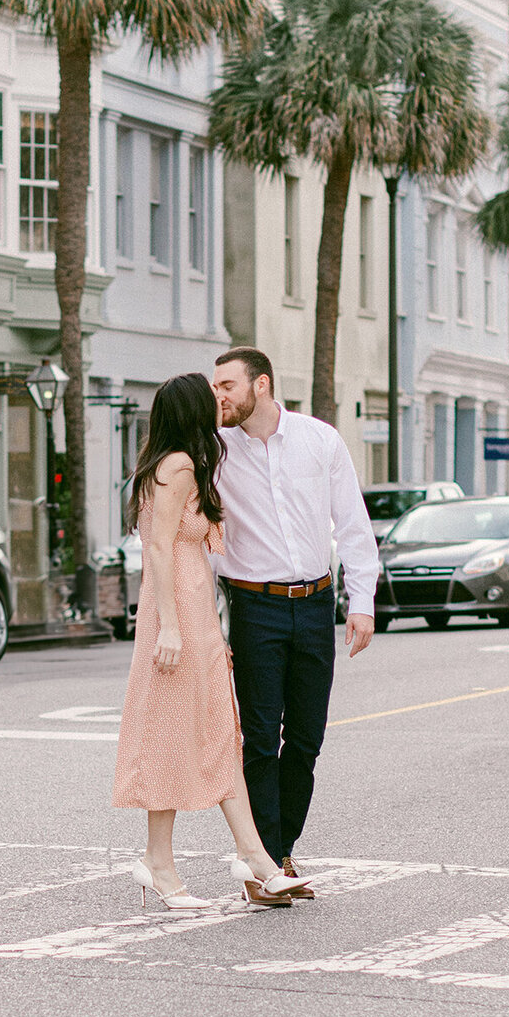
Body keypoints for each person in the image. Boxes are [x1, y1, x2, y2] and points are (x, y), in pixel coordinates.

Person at [111, 372, 310, 910]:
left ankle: (244, 858)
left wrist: (202, 627)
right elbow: (157, 548)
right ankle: (191, 861)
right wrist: (173, 626)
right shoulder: (177, 467)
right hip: (176, 621)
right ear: (193, 410)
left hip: (194, 618)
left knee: (215, 735)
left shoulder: (179, 464)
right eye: (211, 397)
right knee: (176, 736)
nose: (219, 403)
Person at [210, 347, 379, 891]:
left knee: (305, 738)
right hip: (253, 606)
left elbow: (352, 522)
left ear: (261, 385)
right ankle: (269, 865)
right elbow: (201, 537)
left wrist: (362, 603)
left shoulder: (319, 440)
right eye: (215, 387)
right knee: (259, 739)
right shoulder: (213, 451)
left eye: (227, 386)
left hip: (314, 604)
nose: (220, 396)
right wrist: (211, 621)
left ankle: (279, 851)